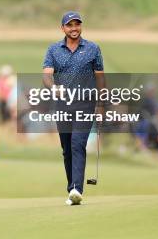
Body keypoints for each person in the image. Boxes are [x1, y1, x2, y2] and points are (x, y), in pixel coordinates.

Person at [42, 12, 105, 206]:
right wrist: (53, 88)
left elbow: (100, 78)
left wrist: (101, 104)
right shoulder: (53, 50)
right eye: (70, 25)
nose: (74, 28)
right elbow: (46, 76)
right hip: (62, 104)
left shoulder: (93, 48)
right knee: (67, 148)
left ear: (81, 27)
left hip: (85, 103)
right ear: (63, 28)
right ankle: (72, 189)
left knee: (78, 143)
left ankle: (77, 188)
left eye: (77, 24)